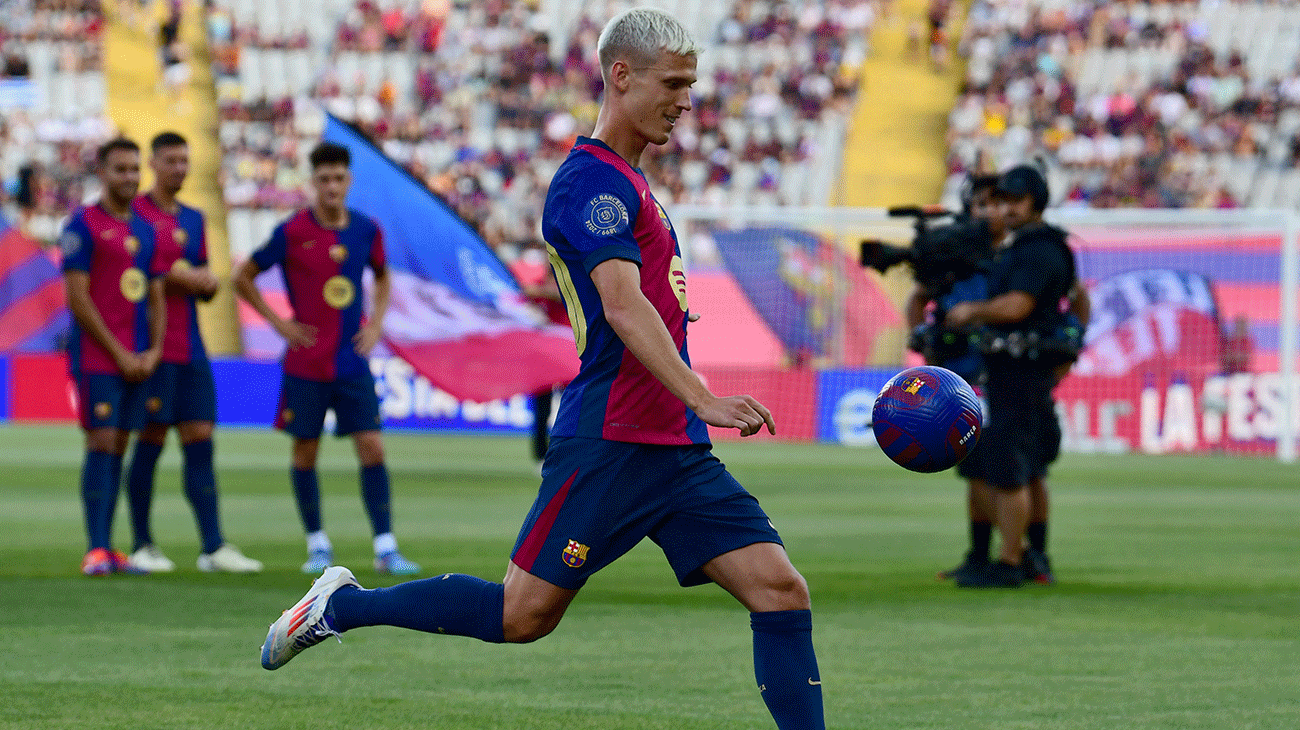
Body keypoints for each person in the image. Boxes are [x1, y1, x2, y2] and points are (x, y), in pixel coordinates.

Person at [258, 10, 826, 730]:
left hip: (674, 447)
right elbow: (623, 308)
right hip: (612, 439)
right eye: (674, 83)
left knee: (780, 591)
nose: (687, 100)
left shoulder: (632, 183)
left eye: (692, 84)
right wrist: (703, 395)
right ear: (621, 75)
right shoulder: (589, 183)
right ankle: (342, 605)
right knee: (521, 614)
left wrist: (688, 407)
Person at [234, 141, 419, 576]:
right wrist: (278, 323)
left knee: (372, 447)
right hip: (306, 363)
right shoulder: (293, 231)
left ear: (348, 182)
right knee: (305, 452)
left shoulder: (365, 230)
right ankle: (317, 543)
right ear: (312, 183)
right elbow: (243, 276)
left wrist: (375, 324)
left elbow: (383, 275)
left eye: (339, 178)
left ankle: (385, 546)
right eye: (324, 179)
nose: (332, 186)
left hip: (351, 361)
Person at [123, 132, 263, 574]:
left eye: (185, 160)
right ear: (153, 163)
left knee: (201, 442)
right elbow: (141, 279)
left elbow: (196, 277)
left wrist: (206, 283)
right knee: (150, 443)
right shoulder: (136, 216)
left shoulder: (195, 219)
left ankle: (213, 547)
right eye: (171, 160)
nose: (179, 168)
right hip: (152, 349)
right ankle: (142, 544)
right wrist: (185, 277)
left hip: (192, 348)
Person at [945, 164, 1081, 588]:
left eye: (1015, 200)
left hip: (1019, 371)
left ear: (1036, 202)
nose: (1007, 208)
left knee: (1009, 470)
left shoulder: (1035, 250)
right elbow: (1078, 302)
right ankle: (1027, 557)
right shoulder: (1042, 246)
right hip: (1025, 370)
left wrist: (973, 312)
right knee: (1025, 467)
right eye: (1002, 200)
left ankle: (1009, 562)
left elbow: (1018, 305)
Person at [61, 138, 167, 575]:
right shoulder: (81, 225)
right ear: (101, 173)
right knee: (102, 441)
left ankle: (108, 549)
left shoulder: (145, 229)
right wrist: (121, 352)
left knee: (121, 445)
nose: (129, 176)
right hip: (98, 356)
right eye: (119, 169)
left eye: (133, 169)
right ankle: (96, 549)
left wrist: (154, 351)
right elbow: (78, 298)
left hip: (138, 359)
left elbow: (156, 296)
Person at [907, 174, 1001, 584]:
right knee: (977, 470)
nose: (987, 212)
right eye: (981, 203)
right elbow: (917, 298)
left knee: (1014, 471)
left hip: (1003, 373)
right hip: (958, 375)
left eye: (995, 203)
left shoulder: (1020, 251)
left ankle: (1024, 557)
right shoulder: (952, 250)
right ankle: (981, 556)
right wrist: (923, 346)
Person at [508, 239, 570, 465]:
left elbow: (557, 294)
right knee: (541, 410)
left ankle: (563, 451)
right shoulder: (539, 287)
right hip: (544, 359)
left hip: (566, 358)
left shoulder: (566, 285)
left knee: (569, 407)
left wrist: (532, 291)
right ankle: (540, 455)